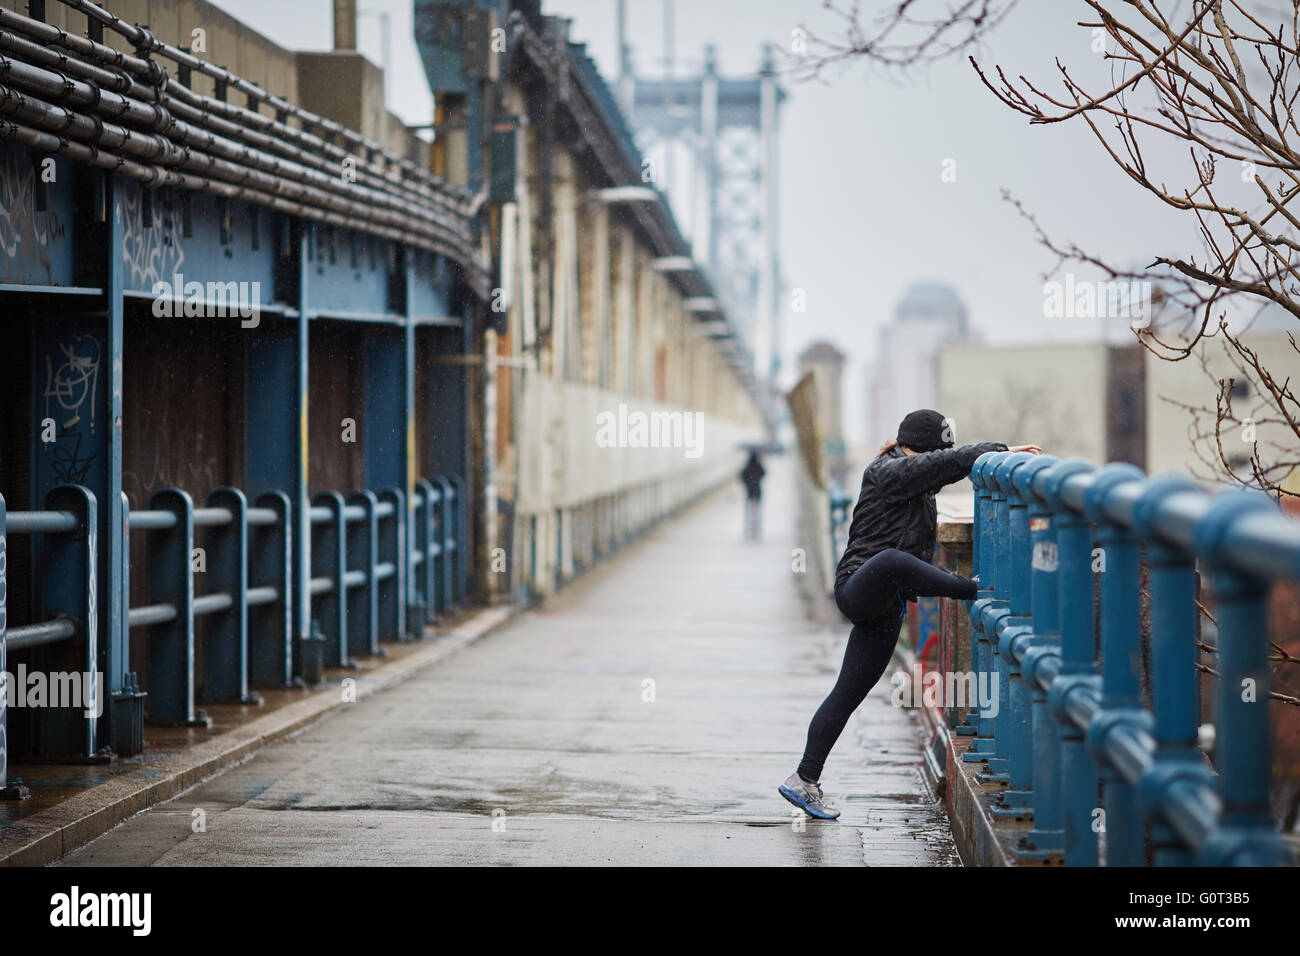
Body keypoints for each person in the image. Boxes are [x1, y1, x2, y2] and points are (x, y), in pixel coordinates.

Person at [779, 408, 1040, 819]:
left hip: (887, 607)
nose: (938, 459)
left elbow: (941, 471)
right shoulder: (887, 471)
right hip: (858, 588)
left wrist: (998, 459)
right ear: (916, 448)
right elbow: (941, 467)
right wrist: (1000, 450)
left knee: (847, 696)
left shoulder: (915, 479)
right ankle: (975, 589)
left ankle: (803, 780)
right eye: (935, 451)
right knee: (892, 561)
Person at [740, 450, 766, 540]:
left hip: (749, 493)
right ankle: (756, 530)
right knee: (757, 512)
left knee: (749, 513)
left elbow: (742, 477)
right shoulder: (758, 466)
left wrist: (747, 483)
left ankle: (749, 530)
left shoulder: (747, 467)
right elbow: (764, 474)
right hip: (757, 492)